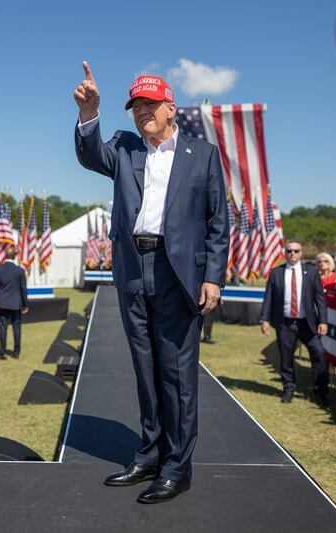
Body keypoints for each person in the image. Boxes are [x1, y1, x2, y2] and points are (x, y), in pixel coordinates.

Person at [74, 62, 229, 503]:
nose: (141, 112)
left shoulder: (202, 155)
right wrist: (90, 114)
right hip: (131, 267)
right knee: (145, 370)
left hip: (178, 273)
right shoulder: (125, 148)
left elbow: (219, 223)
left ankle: (177, 467)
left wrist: (213, 278)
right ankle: (149, 455)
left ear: (170, 109)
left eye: (149, 104)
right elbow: (90, 155)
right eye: (135, 106)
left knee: (176, 374)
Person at [259, 240, 329, 406]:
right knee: (285, 358)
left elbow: (320, 299)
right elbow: (268, 297)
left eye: (296, 251)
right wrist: (264, 319)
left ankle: (320, 392)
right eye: (289, 251)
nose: (292, 254)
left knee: (318, 353)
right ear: (285, 253)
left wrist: (323, 321)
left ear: (301, 253)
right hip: (285, 323)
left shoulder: (311, 272)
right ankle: (288, 388)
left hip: (307, 323)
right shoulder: (276, 272)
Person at [0, 246, 28, 360]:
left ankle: (2, 352)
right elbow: (23, 288)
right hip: (16, 303)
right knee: (16, 327)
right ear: (15, 256)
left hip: (2, 303)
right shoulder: (20, 271)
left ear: (5, 255)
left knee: (3, 328)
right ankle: (16, 352)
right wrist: (25, 304)